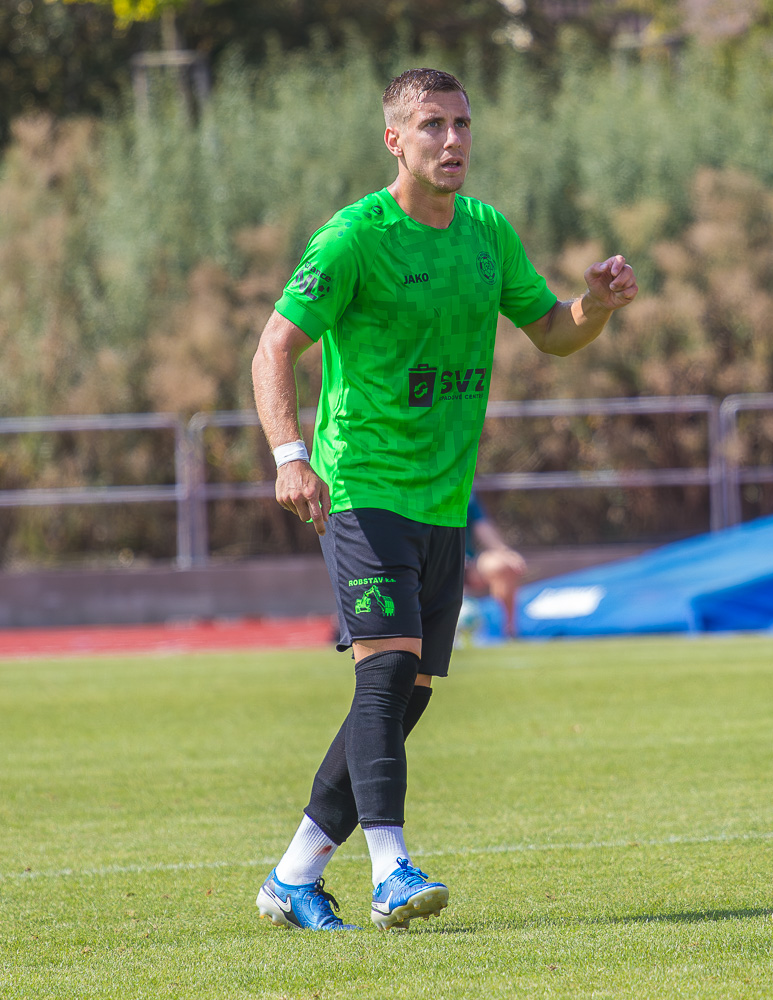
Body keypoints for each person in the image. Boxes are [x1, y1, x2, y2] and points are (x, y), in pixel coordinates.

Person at [251, 67, 637, 932]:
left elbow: (552, 332)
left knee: (411, 690)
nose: (453, 139)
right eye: (432, 125)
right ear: (394, 140)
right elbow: (273, 347)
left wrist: (597, 303)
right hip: (361, 485)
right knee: (387, 671)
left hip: (442, 499)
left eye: (461, 123)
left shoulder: (486, 233)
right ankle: (390, 869)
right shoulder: (354, 238)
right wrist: (290, 457)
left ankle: (294, 874)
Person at [464, 492, 527, 638]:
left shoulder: (467, 492)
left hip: (467, 563)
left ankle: (509, 632)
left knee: (502, 566)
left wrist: (505, 553)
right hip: (433, 561)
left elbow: (482, 526)